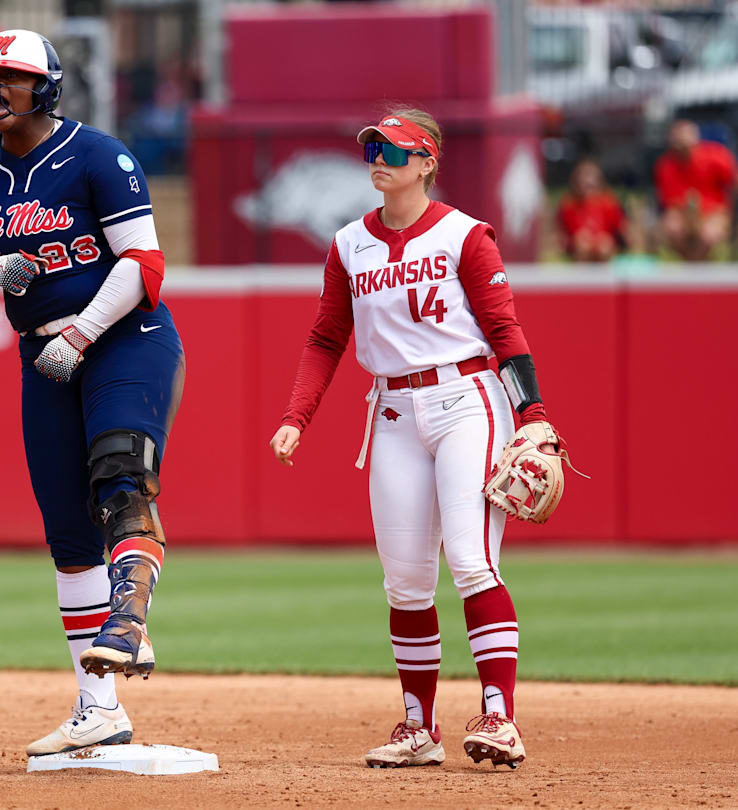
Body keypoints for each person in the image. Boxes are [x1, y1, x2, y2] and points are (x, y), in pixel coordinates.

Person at [269, 110, 567, 770]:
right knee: (405, 582)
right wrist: (298, 416)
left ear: (427, 161)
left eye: (393, 150)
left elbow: (505, 333)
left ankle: (500, 716)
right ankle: (419, 727)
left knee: (468, 559)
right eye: (372, 147)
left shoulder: (465, 236)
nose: (377, 157)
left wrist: (535, 416)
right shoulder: (349, 243)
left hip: (468, 402)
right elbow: (325, 339)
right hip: (395, 413)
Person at [0, 29, 183, 758]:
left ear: (46, 86)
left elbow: (144, 262)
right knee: (69, 537)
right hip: (38, 351)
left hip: (122, 337)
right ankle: (98, 707)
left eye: (9, 77)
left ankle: (130, 619)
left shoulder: (97, 154)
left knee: (119, 475)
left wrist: (79, 336)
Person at [655, 120, 738, 261]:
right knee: (672, 227)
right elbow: (669, 203)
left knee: (708, 234)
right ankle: (695, 266)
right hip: (682, 213)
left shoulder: (716, 156)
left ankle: (695, 267)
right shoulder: (666, 165)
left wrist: (735, 212)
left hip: (714, 213)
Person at [555, 158, 625, 262]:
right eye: (584, 177)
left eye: (591, 177)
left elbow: (620, 228)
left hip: (603, 244)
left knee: (604, 246)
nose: (587, 182)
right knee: (583, 245)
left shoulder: (609, 202)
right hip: (579, 246)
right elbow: (565, 233)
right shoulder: (569, 204)